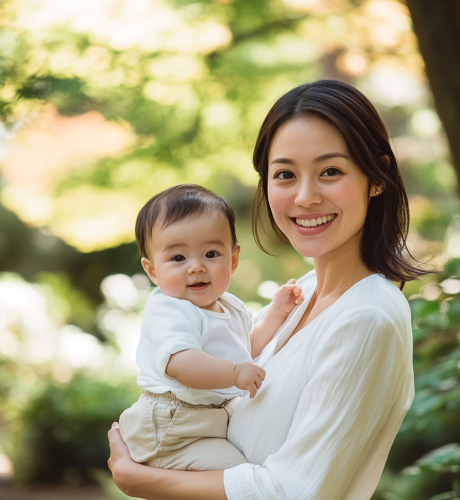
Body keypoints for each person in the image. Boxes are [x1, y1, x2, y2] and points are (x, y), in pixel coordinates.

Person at [108, 79, 428, 500]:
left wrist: (140, 479)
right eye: (285, 174)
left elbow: (293, 491)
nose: (305, 196)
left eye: (330, 171)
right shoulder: (304, 294)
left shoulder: (366, 318)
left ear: (377, 176)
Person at [119, 184, 304, 472]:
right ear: (152, 270)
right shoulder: (169, 308)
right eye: (178, 258)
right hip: (173, 426)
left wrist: (276, 314)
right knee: (235, 476)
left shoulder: (230, 305)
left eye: (211, 254)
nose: (196, 267)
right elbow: (181, 364)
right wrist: (234, 373)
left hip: (203, 422)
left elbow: (244, 348)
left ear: (232, 259)